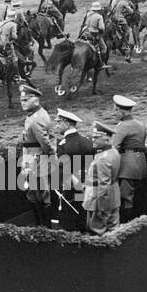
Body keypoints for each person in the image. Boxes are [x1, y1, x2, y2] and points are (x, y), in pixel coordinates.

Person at [98, 94, 147, 219]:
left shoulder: (122, 126)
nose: (115, 113)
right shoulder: (140, 124)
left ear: (122, 111)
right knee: (137, 198)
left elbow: (114, 149)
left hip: (127, 168)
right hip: (141, 165)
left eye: (116, 110)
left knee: (125, 200)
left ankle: (126, 228)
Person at [19, 86, 55, 227]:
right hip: (33, 155)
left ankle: (43, 226)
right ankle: (42, 224)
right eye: (21, 100)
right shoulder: (38, 113)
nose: (23, 103)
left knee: (37, 192)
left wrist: (50, 154)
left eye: (26, 100)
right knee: (37, 191)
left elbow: (44, 141)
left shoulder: (35, 119)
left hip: (36, 157)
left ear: (35, 100)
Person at [55, 108, 93, 227]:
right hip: (87, 183)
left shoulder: (63, 145)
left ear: (67, 124)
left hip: (70, 186)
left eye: (58, 122)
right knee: (84, 210)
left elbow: (64, 171)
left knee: (71, 215)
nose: (56, 126)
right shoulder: (87, 141)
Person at [83, 129, 121, 235]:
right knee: (114, 229)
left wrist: (100, 209)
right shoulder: (114, 152)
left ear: (107, 139)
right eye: (93, 137)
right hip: (114, 197)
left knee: (96, 231)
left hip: (99, 201)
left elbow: (103, 185)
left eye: (96, 138)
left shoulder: (102, 158)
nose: (93, 140)